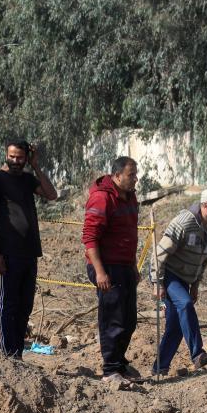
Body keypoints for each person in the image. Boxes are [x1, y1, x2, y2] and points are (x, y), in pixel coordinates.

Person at [0, 140, 58, 359]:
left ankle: (18, 354)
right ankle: (8, 354)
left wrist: (35, 166)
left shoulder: (27, 179)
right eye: (12, 157)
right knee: (9, 304)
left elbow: (51, 194)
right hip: (8, 252)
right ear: (6, 155)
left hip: (30, 252)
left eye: (20, 158)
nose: (15, 161)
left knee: (25, 305)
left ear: (26, 158)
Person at [151, 187, 207, 376]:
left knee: (176, 325)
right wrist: (157, 283)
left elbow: (204, 259)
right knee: (185, 305)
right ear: (205, 205)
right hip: (168, 274)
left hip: (186, 278)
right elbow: (158, 255)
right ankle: (198, 354)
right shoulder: (184, 222)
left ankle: (159, 368)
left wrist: (195, 285)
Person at [82, 157, 141, 384]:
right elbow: (90, 237)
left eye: (135, 174)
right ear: (117, 176)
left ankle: (119, 363)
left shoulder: (130, 196)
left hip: (125, 266)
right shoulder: (102, 198)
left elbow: (129, 235)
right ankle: (110, 370)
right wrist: (100, 272)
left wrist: (133, 266)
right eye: (131, 175)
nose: (135, 179)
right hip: (106, 267)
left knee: (129, 319)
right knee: (113, 319)